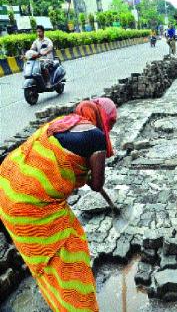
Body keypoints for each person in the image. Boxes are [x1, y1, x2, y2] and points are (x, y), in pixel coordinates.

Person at [0, 98, 118, 312]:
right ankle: (80, 306)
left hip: (7, 187)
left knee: (50, 262)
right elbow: (97, 184)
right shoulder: (97, 138)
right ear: (106, 119)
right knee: (69, 255)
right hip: (32, 205)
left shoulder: (64, 122)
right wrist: (89, 174)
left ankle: (61, 303)